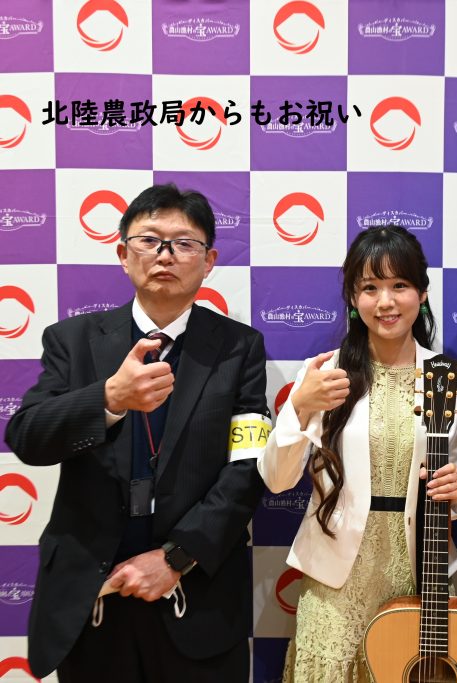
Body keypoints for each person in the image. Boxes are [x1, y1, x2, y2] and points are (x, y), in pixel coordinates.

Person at [5, 184, 270, 681]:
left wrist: (176, 558)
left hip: (196, 596)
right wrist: (109, 398)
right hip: (94, 596)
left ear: (209, 261)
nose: (165, 255)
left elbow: (248, 466)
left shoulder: (239, 348)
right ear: (123, 254)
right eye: (149, 240)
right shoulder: (72, 341)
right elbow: (27, 437)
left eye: (184, 243)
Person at [258, 224, 457, 682]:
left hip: (419, 573)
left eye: (400, 285)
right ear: (353, 298)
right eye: (370, 287)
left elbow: (455, 494)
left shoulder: (451, 379)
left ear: (422, 293)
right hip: (336, 577)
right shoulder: (325, 373)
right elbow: (277, 479)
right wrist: (300, 406)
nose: (386, 302)